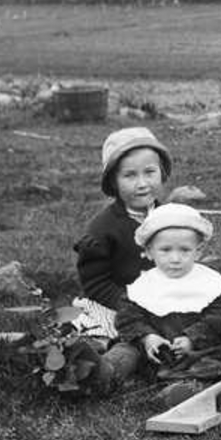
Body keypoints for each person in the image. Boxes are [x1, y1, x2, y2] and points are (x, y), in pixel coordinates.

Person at [93, 202, 221, 392]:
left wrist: (192, 338)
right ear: (149, 251)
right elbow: (127, 319)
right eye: (165, 250)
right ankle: (102, 373)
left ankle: (187, 387)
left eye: (185, 250)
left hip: (198, 349)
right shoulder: (144, 285)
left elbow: (220, 319)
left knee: (209, 363)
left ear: (198, 251)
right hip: (154, 351)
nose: (175, 259)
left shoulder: (210, 283)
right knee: (125, 352)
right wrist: (147, 337)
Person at [70, 127, 172, 345]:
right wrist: (130, 305)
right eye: (130, 175)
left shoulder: (170, 218)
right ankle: (105, 357)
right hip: (115, 303)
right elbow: (96, 283)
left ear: (162, 173)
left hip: (162, 300)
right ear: (113, 182)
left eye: (150, 172)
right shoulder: (103, 228)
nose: (142, 183)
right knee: (109, 334)